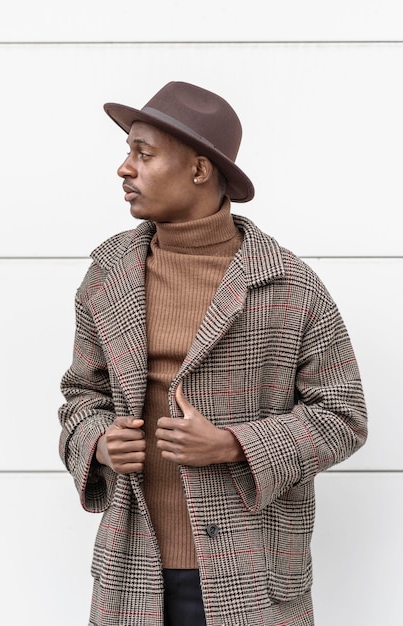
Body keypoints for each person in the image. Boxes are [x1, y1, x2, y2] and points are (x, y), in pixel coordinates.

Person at [58, 81, 367, 626]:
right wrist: (97, 442)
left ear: (199, 170)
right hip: (133, 572)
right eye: (128, 152)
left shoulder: (287, 284)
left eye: (142, 153)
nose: (123, 169)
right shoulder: (107, 275)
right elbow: (82, 394)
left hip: (253, 575)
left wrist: (232, 445)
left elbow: (343, 416)